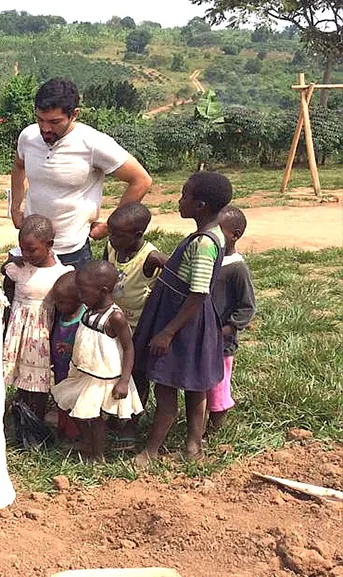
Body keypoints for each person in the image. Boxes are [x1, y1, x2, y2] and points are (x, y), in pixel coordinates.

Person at [133, 172, 232, 465]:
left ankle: (150, 452)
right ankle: (193, 447)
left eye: (184, 195)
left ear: (200, 204)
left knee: (167, 388)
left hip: (183, 325)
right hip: (193, 324)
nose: (180, 200)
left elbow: (198, 293)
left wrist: (167, 333)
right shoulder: (215, 235)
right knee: (195, 386)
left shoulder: (203, 243)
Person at [9, 78, 152, 267]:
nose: (45, 128)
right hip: (30, 247)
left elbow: (141, 180)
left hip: (71, 252)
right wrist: (15, 207)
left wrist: (111, 226)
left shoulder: (93, 143)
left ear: (74, 114)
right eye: (40, 120)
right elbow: (19, 166)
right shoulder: (28, 136)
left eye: (54, 122)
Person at [51, 261, 143, 459]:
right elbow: (89, 339)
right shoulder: (89, 310)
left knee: (94, 416)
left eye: (83, 292)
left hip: (102, 377)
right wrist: (71, 348)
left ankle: (98, 455)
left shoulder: (115, 318)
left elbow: (128, 348)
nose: (80, 297)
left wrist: (124, 380)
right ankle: (86, 441)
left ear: (102, 291)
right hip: (84, 371)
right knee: (73, 407)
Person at [2, 214, 73, 421]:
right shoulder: (20, 267)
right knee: (19, 377)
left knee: (37, 382)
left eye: (31, 250)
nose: (26, 254)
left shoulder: (61, 274)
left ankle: (36, 423)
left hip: (39, 336)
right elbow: (7, 286)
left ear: (49, 244)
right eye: (22, 249)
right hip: (16, 332)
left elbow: (65, 310)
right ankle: (20, 416)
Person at [208, 206, 256, 433]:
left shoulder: (237, 268)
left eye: (219, 231)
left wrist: (226, 329)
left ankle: (215, 429)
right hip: (203, 336)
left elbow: (247, 306)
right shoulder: (208, 258)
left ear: (235, 235)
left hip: (221, 341)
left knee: (218, 386)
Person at [104, 202, 168, 335]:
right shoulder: (111, 248)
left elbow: (178, 268)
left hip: (137, 329)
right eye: (110, 233)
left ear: (138, 235)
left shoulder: (150, 258)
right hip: (111, 323)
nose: (111, 238)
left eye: (118, 236)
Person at [49, 271, 84, 442]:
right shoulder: (60, 316)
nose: (58, 305)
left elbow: (87, 345)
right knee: (61, 400)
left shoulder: (84, 318)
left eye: (62, 302)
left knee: (74, 402)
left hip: (76, 372)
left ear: (79, 299)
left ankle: (77, 434)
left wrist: (71, 349)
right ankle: (63, 429)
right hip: (60, 370)